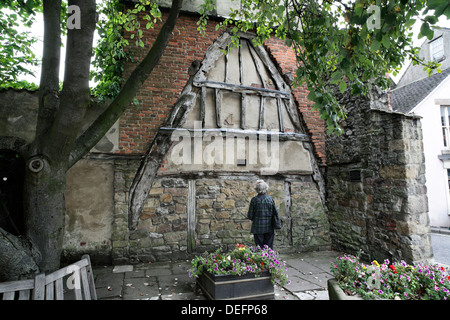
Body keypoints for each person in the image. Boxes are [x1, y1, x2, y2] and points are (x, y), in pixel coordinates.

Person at [247, 179, 280, 249]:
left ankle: (261, 259)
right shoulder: (270, 199)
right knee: (269, 247)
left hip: (257, 227)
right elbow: (276, 213)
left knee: (259, 247)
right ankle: (270, 259)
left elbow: (250, 216)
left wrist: (255, 218)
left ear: (256, 189)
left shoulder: (254, 200)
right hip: (269, 227)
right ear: (266, 188)